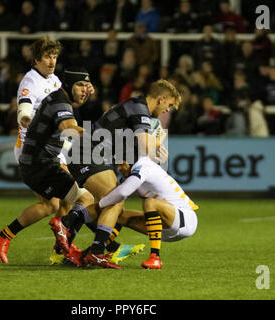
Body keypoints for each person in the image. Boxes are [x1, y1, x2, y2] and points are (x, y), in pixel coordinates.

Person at [51, 79, 181, 269]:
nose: (167, 110)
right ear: (161, 99)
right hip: (88, 153)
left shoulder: (135, 106)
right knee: (115, 200)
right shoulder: (141, 110)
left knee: (111, 204)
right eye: (169, 105)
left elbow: (118, 136)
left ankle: (70, 235)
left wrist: (122, 161)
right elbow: (146, 147)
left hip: (91, 153)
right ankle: (84, 241)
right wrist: (161, 138)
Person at [0, 67, 94, 263]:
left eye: (86, 86)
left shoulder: (58, 95)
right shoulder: (58, 103)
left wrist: (84, 92)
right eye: (80, 85)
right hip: (41, 162)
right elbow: (68, 128)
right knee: (86, 198)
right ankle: (73, 239)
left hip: (37, 160)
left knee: (52, 204)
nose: (84, 90)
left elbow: (73, 108)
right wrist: (99, 134)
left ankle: (4, 236)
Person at [97, 157, 199, 269]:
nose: (119, 168)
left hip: (186, 219)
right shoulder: (133, 173)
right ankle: (101, 251)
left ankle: (155, 258)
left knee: (149, 203)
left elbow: (122, 192)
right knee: (119, 215)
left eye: (122, 164)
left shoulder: (142, 167)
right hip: (163, 228)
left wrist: (100, 204)